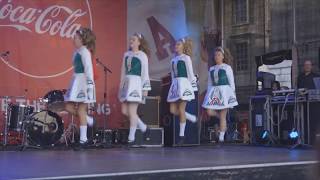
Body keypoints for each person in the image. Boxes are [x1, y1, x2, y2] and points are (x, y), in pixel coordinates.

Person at [64, 27, 96, 149]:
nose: (74, 39)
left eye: (76, 37)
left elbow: (89, 70)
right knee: (67, 106)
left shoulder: (85, 52)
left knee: (82, 110)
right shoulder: (77, 51)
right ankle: (89, 120)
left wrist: (89, 86)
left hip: (83, 82)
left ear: (83, 39)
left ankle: (83, 139)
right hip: (76, 81)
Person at [119, 33, 151, 146]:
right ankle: (143, 127)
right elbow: (123, 71)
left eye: (134, 39)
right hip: (126, 84)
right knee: (124, 111)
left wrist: (145, 88)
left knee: (132, 112)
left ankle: (131, 138)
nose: (131, 41)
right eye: (130, 39)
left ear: (139, 42)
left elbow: (145, 73)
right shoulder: (126, 54)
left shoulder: (142, 55)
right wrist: (121, 86)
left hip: (136, 84)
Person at [202, 47, 238, 143]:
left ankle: (221, 137)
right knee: (209, 111)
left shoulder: (227, 67)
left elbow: (231, 82)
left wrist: (232, 95)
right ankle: (222, 119)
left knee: (223, 115)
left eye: (218, 55)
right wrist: (208, 94)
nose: (216, 57)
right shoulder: (211, 69)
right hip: (214, 92)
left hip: (225, 92)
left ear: (223, 56)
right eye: (215, 55)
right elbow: (209, 83)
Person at [167, 38, 198, 146]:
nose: (176, 45)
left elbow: (190, 74)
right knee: (172, 110)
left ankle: (181, 135)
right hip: (175, 85)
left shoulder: (186, 58)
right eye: (176, 44)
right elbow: (172, 75)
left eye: (178, 44)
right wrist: (172, 86)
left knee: (181, 109)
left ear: (183, 46)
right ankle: (189, 116)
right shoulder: (173, 60)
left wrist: (193, 85)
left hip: (184, 84)